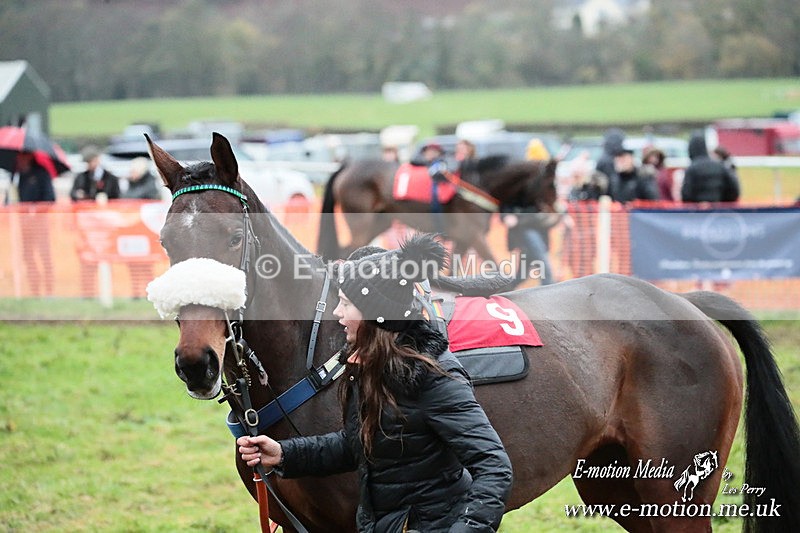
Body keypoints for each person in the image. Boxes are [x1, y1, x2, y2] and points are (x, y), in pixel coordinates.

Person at [237, 234, 513, 532]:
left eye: (345, 304)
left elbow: (495, 467)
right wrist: (284, 453)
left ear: (373, 314)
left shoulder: (434, 378)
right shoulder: (365, 366)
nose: (337, 313)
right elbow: (358, 443)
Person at [8, 151, 55, 296]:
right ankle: (34, 289)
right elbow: (9, 201)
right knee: (28, 258)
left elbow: (50, 198)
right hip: (23, 226)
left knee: (44, 257)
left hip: (39, 224)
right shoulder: (16, 177)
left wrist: (34, 211)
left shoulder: (41, 174)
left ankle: (49, 290)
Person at [681, 131, 740, 203]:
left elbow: (686, 194)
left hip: (698, 212)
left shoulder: (691, 169)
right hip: (719, 210)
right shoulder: (720, 166)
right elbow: (733, 189)